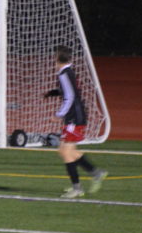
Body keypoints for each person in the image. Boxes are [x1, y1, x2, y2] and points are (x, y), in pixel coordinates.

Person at [44, 45, 107, 198]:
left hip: (74, 119)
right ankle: (95, 173)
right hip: (76, 117)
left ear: (58, 58)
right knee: (68, 151)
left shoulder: (64, 74)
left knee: (65, 152)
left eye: (55, 56)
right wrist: (54, 92)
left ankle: (77, 188)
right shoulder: (68, 72)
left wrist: (58, 115)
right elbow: (70, 91)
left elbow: (70, 97)